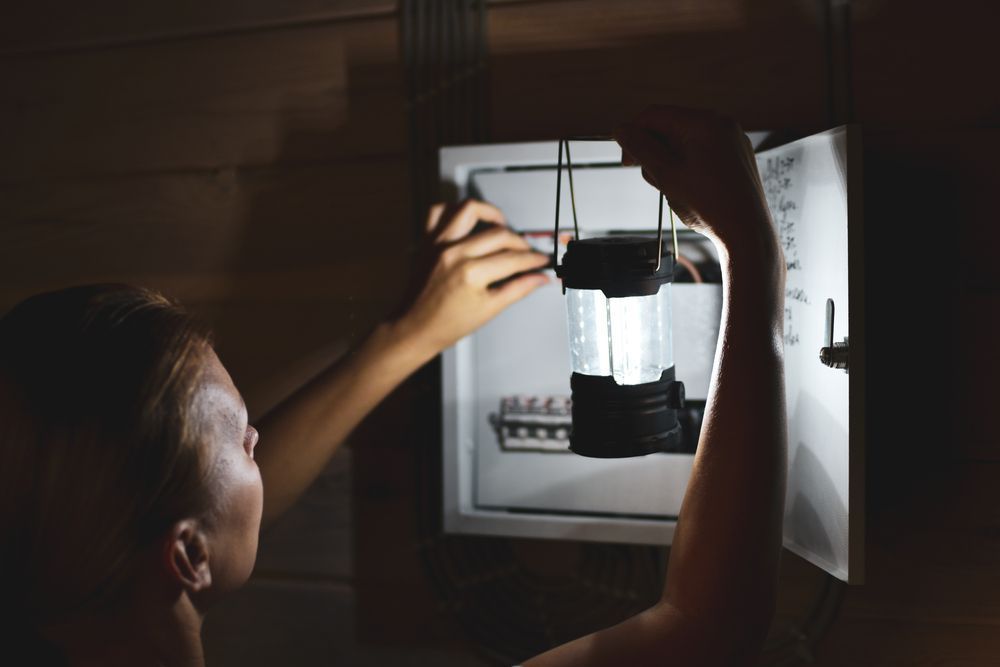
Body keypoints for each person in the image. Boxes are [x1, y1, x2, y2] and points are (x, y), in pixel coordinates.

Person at [0, 106, 785, 667]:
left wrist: (406, 335)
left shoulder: (82, 593)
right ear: (187, 556)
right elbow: (703, 628)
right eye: (242, 439)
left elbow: (219, 506)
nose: (260, 440)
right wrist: (751, 254)